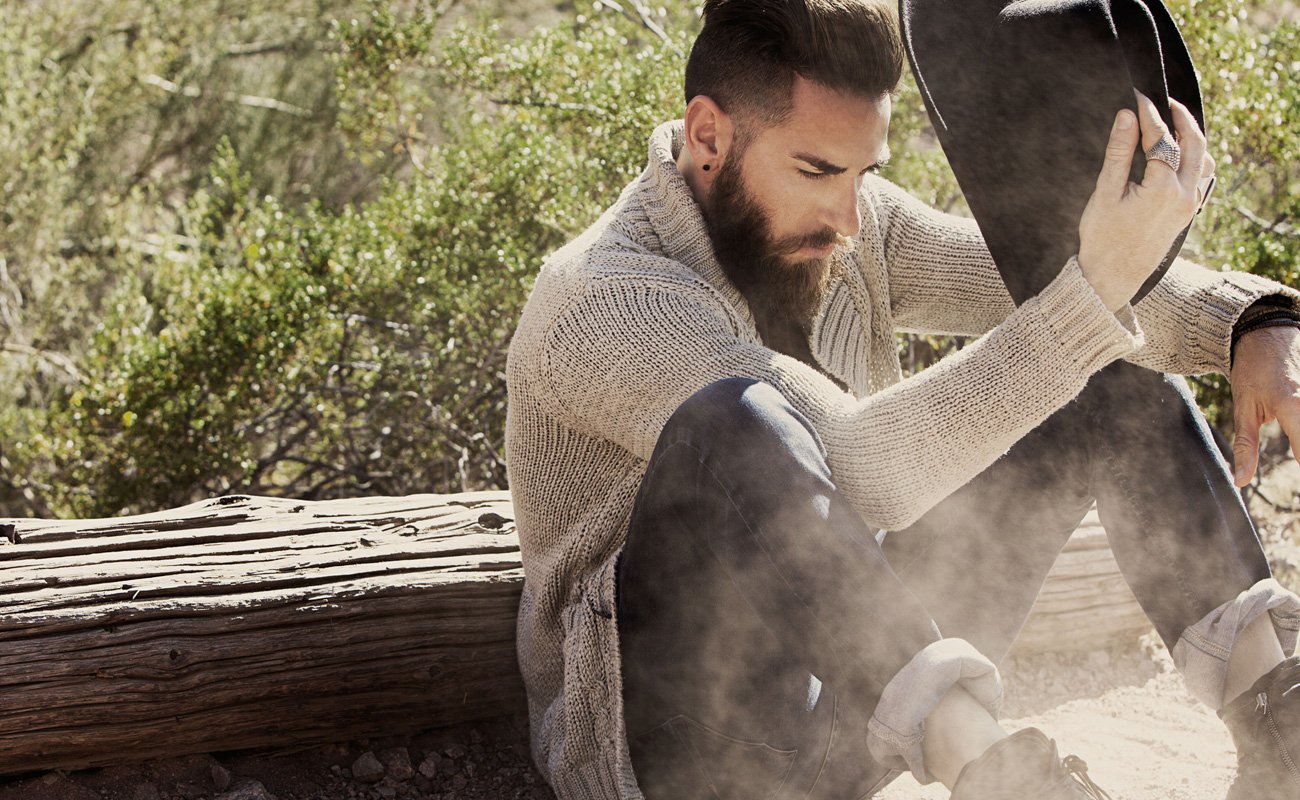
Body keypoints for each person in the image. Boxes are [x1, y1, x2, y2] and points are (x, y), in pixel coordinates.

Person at [504, 0, 1300, 797]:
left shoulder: (847, 225)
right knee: (735, 416)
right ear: (708, 136)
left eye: (866, 174)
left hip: (869, 695)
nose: (849, 218)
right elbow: (858, 471)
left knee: (1107, 369)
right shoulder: (600, 300)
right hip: (698, 748)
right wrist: (1094, 292)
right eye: (817, 171)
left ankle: (1276, 732)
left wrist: (1256, 321)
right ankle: (1001, 779)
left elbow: (1050, 282)